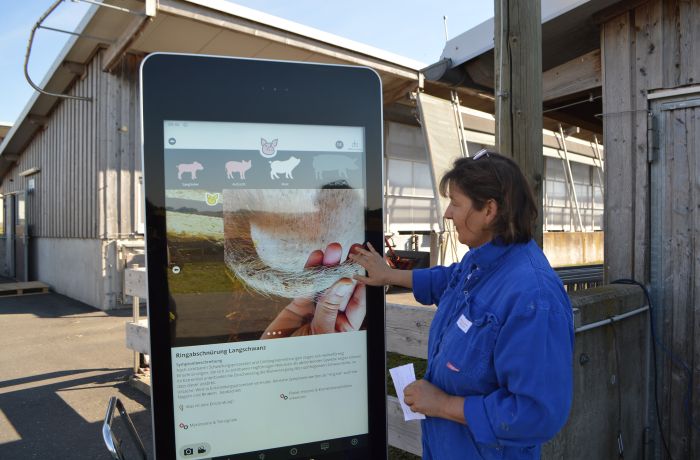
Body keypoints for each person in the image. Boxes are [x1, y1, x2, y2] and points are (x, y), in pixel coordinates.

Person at [350, 149, 574, 459]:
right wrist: (389, 275)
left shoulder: (533, 298)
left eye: (456, 203)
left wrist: (441, 404)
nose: (447, 214)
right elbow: (449, 280)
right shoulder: (482, 261)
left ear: (489, 211)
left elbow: (535, 413)